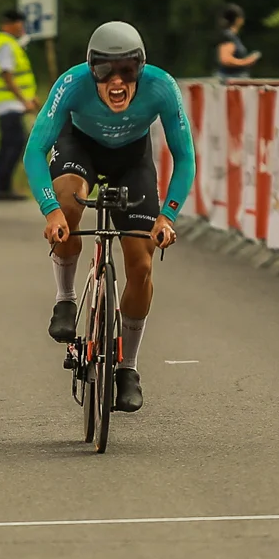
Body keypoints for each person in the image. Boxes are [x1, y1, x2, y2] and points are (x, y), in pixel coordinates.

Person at [22, 21, 196, 413]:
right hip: (78, 145)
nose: (117, 83)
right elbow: (34, 151)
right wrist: (51, 212)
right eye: (104, 71)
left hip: (131, 160)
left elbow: (184, 156)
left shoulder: (162, 87)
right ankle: (65, 298)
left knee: (141, 264)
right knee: (69, 204)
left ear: (141, 69)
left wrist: (167, 216)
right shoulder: (71, 84)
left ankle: (127, 368)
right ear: (91, 70)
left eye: (128, 71)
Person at [0, 10, 38, 200]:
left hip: (11, 102)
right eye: (19, 23)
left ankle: (1, 187)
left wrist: (30, 97)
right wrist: (23, 99)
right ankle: (0, 188)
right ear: (8, 24)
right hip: (8, 103)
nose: (21, 27)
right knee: (13, 143)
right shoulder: (6, 44)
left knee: (11, 144)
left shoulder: (9, 43)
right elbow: (6, 75)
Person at [216, 3, 260, 80]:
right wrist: (246, 61)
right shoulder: (228, 36)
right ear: (238, 19)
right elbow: (225, 60)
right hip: (229, 80)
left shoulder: (233, 36)